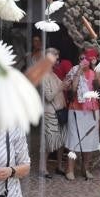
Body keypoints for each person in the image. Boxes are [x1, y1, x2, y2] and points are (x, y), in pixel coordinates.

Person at [63, 47, 100, 180]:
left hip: (92, 110)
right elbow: (73, 89)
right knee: (74, 139)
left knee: (90, 140)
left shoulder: (93, 72)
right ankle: (70, 168)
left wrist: (94, 66)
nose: (84, 61)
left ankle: (85, 168)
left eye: (86, 59)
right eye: (81, 59)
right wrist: (79, 70)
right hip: (76, 109)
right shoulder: (74, 71)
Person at [39, 48, 68, 176]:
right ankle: (43, 168)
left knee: (61, 140)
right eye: (56, 57)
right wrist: (60, 87)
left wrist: (68, 82)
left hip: (60, 112)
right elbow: (49, 96)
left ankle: (59, 166)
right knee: (48, 141)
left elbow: (63, 87)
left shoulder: (53, 74)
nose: (58, 60)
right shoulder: (44, 75)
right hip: (50, 113)